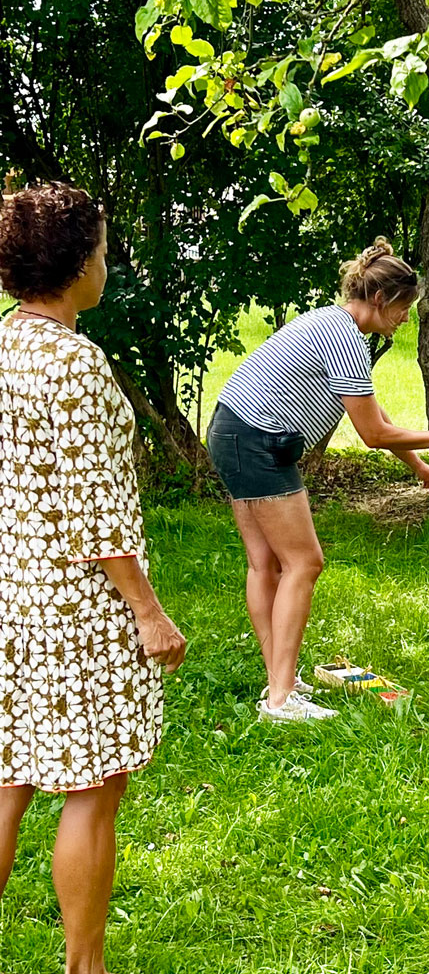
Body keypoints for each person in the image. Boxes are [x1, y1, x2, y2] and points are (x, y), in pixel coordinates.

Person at [0, 182, 187, 974]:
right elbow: (97, 514)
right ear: (77, 263)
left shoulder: (7, 345)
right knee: (93, 785)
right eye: (104, 250)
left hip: (12, 594)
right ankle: (87, 968)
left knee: (8, 774)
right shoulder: (73, 365)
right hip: (77, 605)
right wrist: (148, 612)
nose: (107, 264)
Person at [207, 236, 429, 722]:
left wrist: (415, 463)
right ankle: (280, 698)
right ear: (380, 299)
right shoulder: (346, 336)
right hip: (258, 443)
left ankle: (279, 682)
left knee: (265, 564)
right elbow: (373, 433)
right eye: (403, 308)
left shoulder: (331, 324)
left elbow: (372, 412)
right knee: (304, 562)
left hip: (231, 431)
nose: (405, 318)